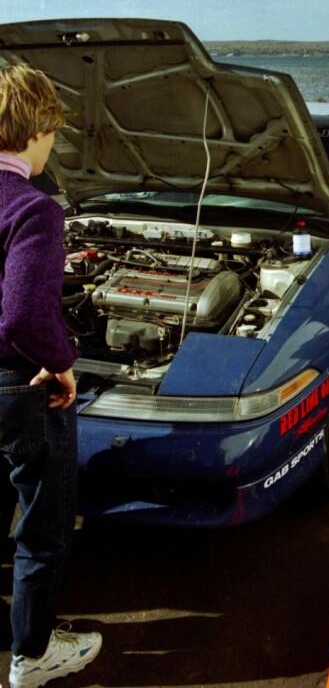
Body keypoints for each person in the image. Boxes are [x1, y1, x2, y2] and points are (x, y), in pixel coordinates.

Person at [0, 65, 102, 687]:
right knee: (42, 526)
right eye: (52, 134)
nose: (53, 146)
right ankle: (32, 656)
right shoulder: (34, 208)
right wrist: (61, 362)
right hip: (20, 387)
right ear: (35, 129)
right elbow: (21, 315)